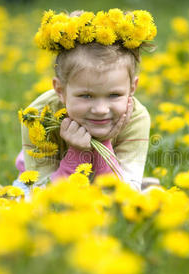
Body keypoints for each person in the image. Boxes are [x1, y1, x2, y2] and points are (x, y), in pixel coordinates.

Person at [14, 9, 157, 191]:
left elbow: (120, 197)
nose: (100, 109)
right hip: (50, 182)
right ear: (60, 90)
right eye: (86, 96)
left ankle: (144, 183)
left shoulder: (137, 118)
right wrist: (77, 152)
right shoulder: (37, 117)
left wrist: (103, 141)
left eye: (114, 95)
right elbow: (44, 196)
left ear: (132, 88)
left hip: (112, 178)